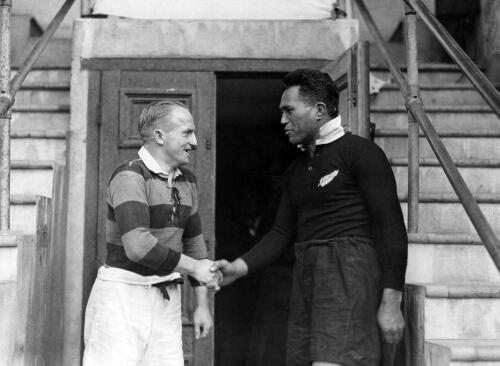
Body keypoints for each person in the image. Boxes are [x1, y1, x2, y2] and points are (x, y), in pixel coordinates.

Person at [212, 69, 408, 366]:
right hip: (307, 278)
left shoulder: (361, 153)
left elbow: (391, 228)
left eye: (289, 111)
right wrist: (236, 269)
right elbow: (279, 234)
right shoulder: (297, 170)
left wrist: (391, 302)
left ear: (318, 110)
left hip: (349, 274)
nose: (282, 121)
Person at [83, 100, 221, 366]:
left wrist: (201, 305)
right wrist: (194, 268)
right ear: (159, 136)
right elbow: (138, 247)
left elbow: (194, 246)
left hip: (166, 297)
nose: (193, 141)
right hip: (122, 297)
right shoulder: (128, 176)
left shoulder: (188, 180)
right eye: (186, 133)